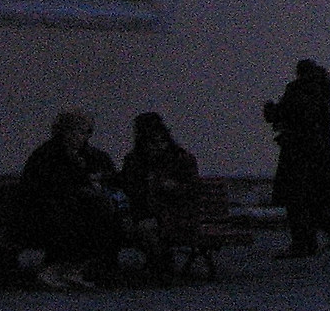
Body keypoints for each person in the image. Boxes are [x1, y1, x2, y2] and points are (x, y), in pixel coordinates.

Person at [18, 109, 125, 290]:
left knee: (102, 216)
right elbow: (39, 188)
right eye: (74, 131)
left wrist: (98, 183)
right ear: (62, 132)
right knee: (76, 220)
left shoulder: (95, 156)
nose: (80, 136)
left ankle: (77, 269)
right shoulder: (46, 155)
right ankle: (61, 269)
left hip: (88, 210)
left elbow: (113, 182)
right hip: (49, 211)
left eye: (84, 132)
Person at [265, 59, 330, 259]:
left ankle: (303, 242)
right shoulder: (323, 92)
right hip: (319, 155)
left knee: (295, 200)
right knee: (312, 199)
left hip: (296, 154)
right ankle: (319, 235)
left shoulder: (298, 90)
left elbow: (283, 114)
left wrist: (271, 110)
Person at [120, 112, 201, 277]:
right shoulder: (134, 160)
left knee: (147, 228)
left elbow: (193, 190)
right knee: (127, 226)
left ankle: (161, 265)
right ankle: (157, 262)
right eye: (151, 142)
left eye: (160, 142)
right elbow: (129, 186)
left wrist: (173, 187)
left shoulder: (179, 159)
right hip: (144, 211)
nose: (157, 147)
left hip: (174, 213)